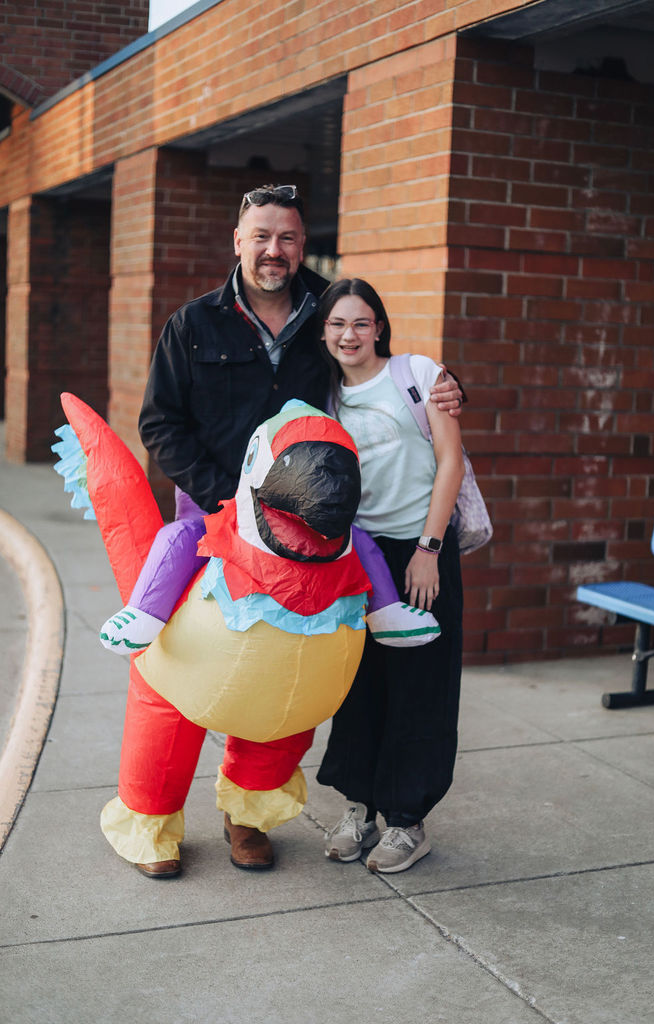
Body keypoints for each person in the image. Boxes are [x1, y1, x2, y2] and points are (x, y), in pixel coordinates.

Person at [101, 185, 465, 877]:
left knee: (279, 683)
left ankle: (248, 818)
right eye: (261, 236)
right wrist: (230, 500)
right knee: (175, 680)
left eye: (289, 238)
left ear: (303, 244)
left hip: (312, 546)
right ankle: (151, 819)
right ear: (236, 241)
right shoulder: (191, 325)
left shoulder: (327, 312)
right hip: (211, 529)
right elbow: (159, 427)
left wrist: (444, 387)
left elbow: (379, 369)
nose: (275, 251)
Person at [316, 277, 465, 874]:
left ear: (378, 325)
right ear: (323, 333)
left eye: (359, 322)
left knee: (420, 684)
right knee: (358, 683)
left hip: (419, 547)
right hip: (356, 554)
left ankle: (408, 821)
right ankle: (360, 808)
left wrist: (428, 548)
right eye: (336, 324)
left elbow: (450, 459)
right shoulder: (322, 396)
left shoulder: (420, 374)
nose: (348, 335)